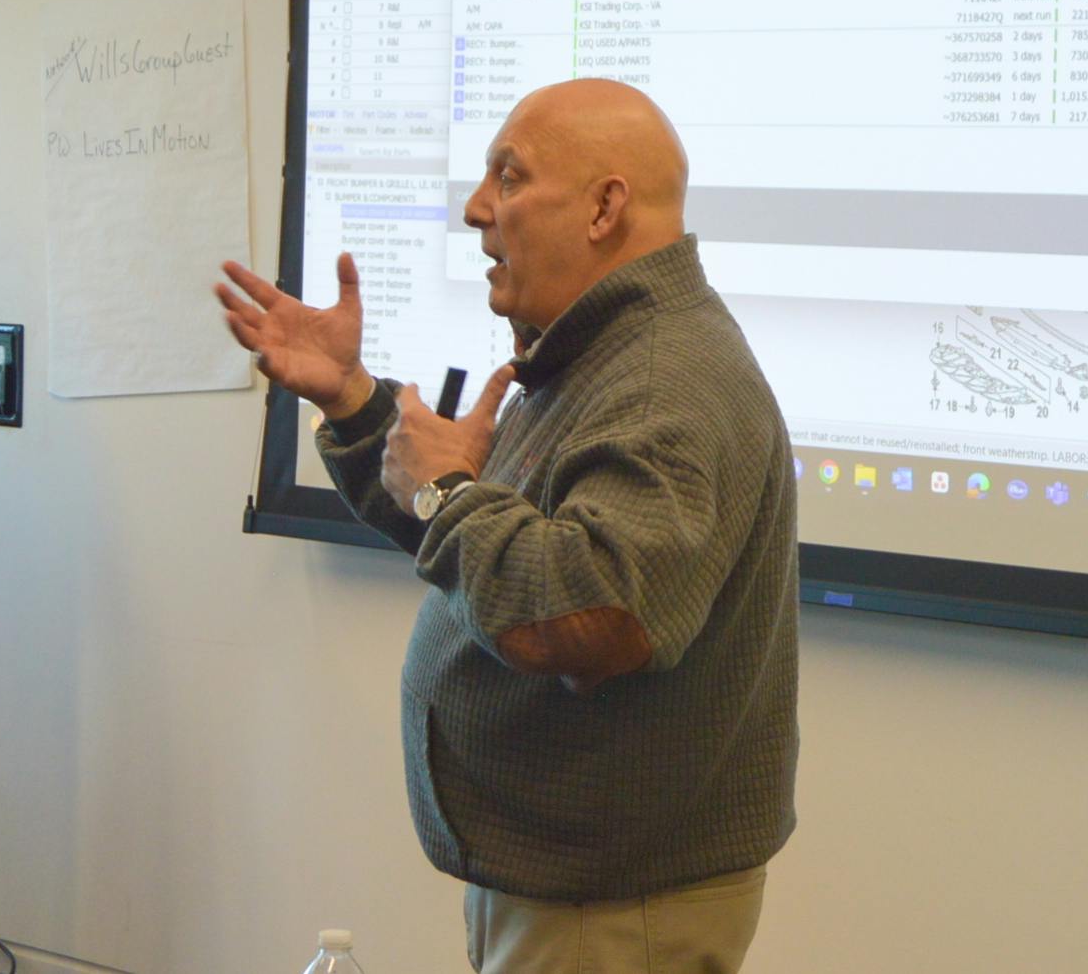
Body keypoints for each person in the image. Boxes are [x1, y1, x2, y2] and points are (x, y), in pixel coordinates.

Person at [216, 78, 798, 973]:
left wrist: (451, 489)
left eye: (509, 177)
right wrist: (359, 406)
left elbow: (584, 618)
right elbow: (496, 554)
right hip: (573, 893)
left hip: (612, 912)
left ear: (605, 207)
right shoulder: (596, 352)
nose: (477, 209)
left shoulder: (661, 379)